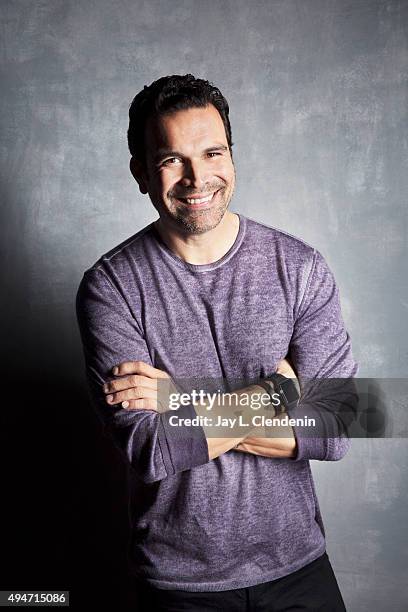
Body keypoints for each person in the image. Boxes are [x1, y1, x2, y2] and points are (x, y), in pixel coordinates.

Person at [76, 74, 357, 611]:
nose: (196, 177)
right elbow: (153, 448)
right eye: (171, 159)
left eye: (212, 152)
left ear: (231, 155)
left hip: (298, 566)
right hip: (180, 584)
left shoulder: (298, 267)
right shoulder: (110, 286)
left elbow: (339, 424)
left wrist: (177, 400)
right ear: (141, 173)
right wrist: (280, 392)